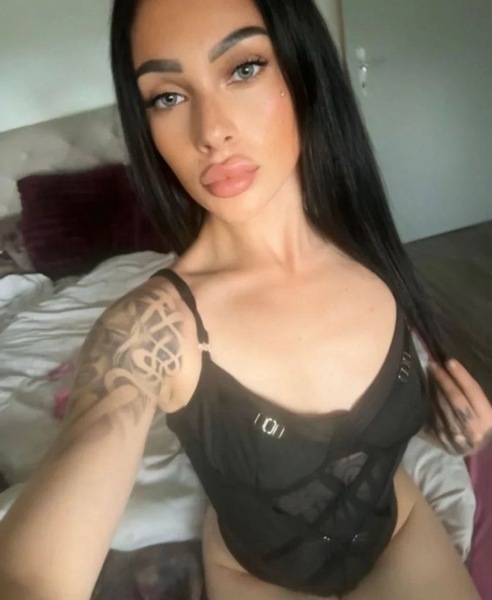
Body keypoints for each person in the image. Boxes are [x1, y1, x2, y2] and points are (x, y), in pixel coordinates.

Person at [0, 0, 490, 598]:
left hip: (400, 527)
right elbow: (33, 575)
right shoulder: (154, 329)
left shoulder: (369, 251)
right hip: (258, 572)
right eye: (168, 97)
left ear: (303, 71)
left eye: (244, 68)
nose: (211, 132)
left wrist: (454, 431)